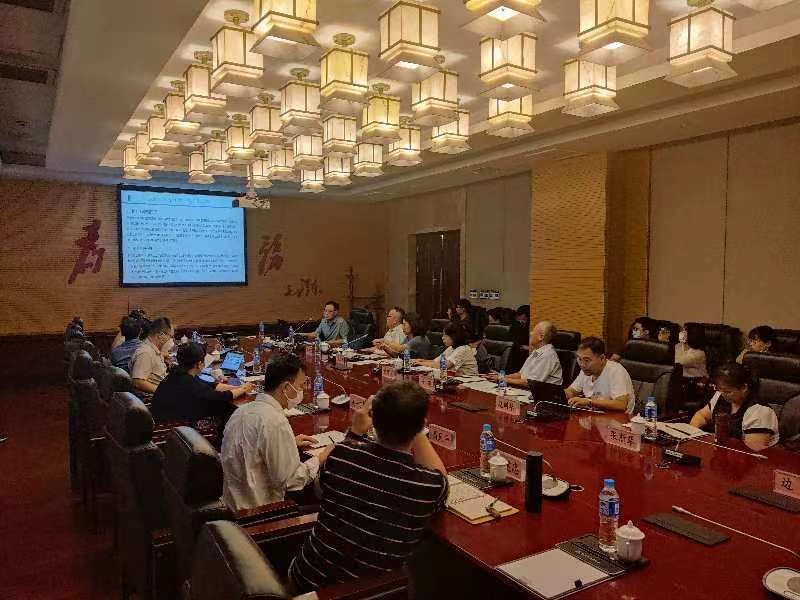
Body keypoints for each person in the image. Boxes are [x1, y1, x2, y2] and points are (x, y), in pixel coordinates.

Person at [288, 380, 447, 593]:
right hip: (354, 594)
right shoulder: (426, 484)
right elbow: (442, 479)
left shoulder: (342, 455)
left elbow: (319, 492)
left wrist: (354, 432)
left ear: (373, 420)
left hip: (303, 577)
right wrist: (416, 428)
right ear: (421, 426)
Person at [221, 354, 328, 511]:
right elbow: (291, 481)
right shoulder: (275, 422)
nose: (303, 390)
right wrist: (320, 458)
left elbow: (255, 448)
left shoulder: (242, 411)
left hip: (232, 505)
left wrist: (289, 442)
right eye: (300, 386)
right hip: (259, 513)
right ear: (285, 388)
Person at [150, 342, 254, 425]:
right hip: (172, 429)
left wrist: (238, 387)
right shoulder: (189, 383)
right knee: (225, 409)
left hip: (167, 422)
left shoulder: (177, 373)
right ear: (199, 364)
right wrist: (243, 389)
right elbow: (222, 397)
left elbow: (212, 385)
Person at [689, 362, 779, 451]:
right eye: (719, 389)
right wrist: (691, 435)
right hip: (724, 451)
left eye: (728, 391)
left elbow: (752, 450)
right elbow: (702, 415)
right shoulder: (721, 395)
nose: (722, 394)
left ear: (744, 388)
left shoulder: (760, 412)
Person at [566, 337, 636, 413]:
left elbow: (621, 404)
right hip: (594, 415)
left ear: (602, 358)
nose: (582, 364)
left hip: (617, 417)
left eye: (587, 360)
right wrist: (561, 393)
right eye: (579, 359)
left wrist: (589, 401)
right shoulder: (586, 370)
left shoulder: (616, 370)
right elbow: (572, 391)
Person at [487, 321, 562, 387]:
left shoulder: (547, 355)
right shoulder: (537, 351)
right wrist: (502, 376)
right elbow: (521, 375)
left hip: (546, 396)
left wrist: (503, 379)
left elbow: (531, 383)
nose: (530, 333)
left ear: (541, 337)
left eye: (533, 331)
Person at [129, 316, 174, 395]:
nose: (171, 340)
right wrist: (165, 393)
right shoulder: (145, 353)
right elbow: (138, 382)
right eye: (170, 336)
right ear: (161, 335)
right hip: (153, 398)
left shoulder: (153, 349)